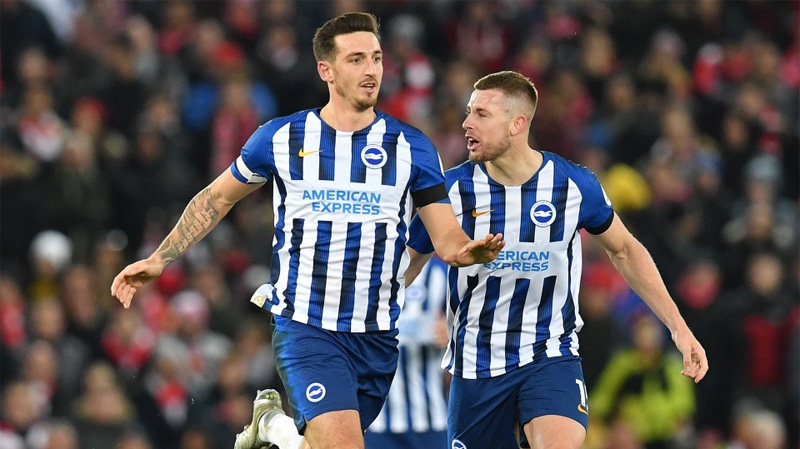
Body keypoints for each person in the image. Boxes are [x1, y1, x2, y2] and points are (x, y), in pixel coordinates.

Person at [111, 12, 504, 449]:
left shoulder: (412, 147)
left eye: (376, 58)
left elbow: (444, 236)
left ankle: (272, 427)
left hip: (376, 335)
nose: (371, 69)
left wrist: (468, 251)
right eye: (356, 59)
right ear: (326, 70)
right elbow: (216, 198)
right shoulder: (280, 138)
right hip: (307, 325)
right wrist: (159, 258)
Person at [405, 70, 708, 449]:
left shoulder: (573, 185)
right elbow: (408, 262)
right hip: (475, 366)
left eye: (482, 114)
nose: (467, 122)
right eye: (469, 111)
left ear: (517, 124)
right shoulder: (450, 190)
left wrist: (678, 327)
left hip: (549, 356)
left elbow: (625, 249)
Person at [364, 256, 449, 449]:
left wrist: (455, 333)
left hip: (431, 418)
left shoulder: (442, 273)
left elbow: (474, 329)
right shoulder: (363, 268)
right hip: (376, 421)